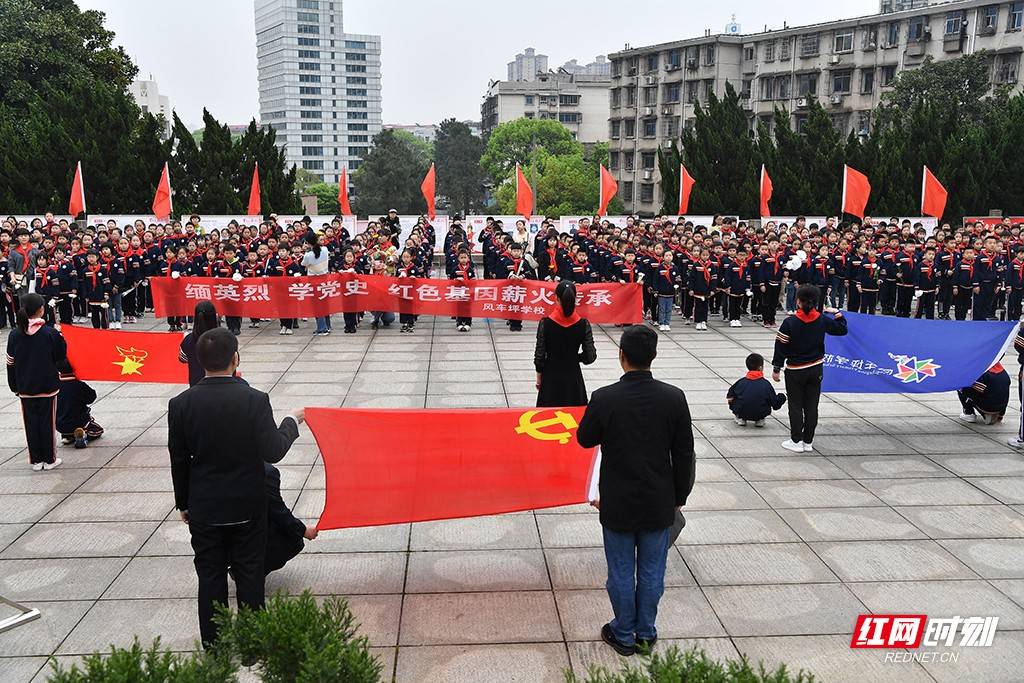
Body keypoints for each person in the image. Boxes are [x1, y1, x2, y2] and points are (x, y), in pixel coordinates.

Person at [167, 327, 303, 648]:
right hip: (247, 505)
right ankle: (253, 645)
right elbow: (273, 451)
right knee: (249, 574)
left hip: (205, 506)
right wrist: (290, 422)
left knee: (210, 578)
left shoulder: (181, 404)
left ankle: (215, 649)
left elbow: (178, 459)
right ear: (235, 358)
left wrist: (183, 503)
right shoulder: (254, 399)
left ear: (200, 361)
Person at [576, 325, 695, 657]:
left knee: (620, 569)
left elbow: (585, 438)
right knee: (652, 569)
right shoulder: (674, 398)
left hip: (618, 500)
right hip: (659, 500)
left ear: (621, 356)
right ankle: (646, 631)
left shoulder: (605, 398)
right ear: (653, 357)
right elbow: (685, 453)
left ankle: (623, 631)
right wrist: (680, 497)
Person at [771, 284, 848, 453]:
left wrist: (776, 368)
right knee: (812, 406)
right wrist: (837, 313)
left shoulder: (789, 322)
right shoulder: (821, 319)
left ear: (798, 301)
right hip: (815, 369)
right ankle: (808, 441)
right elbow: (842, 329)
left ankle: (796, 440)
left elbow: (780, 347)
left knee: (796, 405)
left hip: (795, 370)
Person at [6, 293, 67, 470]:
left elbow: (10, 362)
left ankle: (36, 460)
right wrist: (60, 335)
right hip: (47, 385)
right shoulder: (49, 332)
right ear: (41, 310)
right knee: (47, 423)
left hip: (25, 386)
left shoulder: (14, 334)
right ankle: (50, 459)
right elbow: (60, 356)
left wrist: (14, 385)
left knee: (31, 423)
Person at [534, 280, 597, 407]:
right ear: (575, 299)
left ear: (556, 298)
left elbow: (539, 357)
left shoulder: (545, 323)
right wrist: (574, 357)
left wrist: (539, 377)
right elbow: (590, 356)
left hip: (550, 379)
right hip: (573, 380)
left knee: (547, 419)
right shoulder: (583, 324)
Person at [264, 462, 318, 575]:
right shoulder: (265, 472)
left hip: (219, 529)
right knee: (292, 539)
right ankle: (248, 574)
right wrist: (303, 530)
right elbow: (277, 511)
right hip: (240, 534)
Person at [727, 353, 786, 427]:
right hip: (760, 412)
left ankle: (741, 417)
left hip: (741, 411)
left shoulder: (740, 382)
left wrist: (734, 405)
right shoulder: (766, 384)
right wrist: (782, 397)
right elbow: (775, 404)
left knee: (734, 396)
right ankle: (760, 419)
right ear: (761, 368)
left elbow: (729, 396)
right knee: (768, 398)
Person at [56, 357, 104, 448]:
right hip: (78, 421)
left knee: (65, 414)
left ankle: (67, 436)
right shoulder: (78, 385)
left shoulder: (55, 385)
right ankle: (83, 434)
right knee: (98, 430)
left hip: (59, 424)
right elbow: (91, 398)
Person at [179, 301, 221, 387]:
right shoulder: (225, 338)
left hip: (197, 385)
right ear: (214, 316)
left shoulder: (188, 339)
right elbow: (235, 359)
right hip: (222, 386)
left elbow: (183, 359)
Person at [301, 231, 332, 336]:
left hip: (314, 282)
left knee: (317, 306)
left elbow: (304, 264)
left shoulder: (308, 255)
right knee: (324, 304)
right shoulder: (325, 249)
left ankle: (322, 328)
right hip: (325, 280)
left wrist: (306, 250)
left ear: (308, 243)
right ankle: (327, 326)